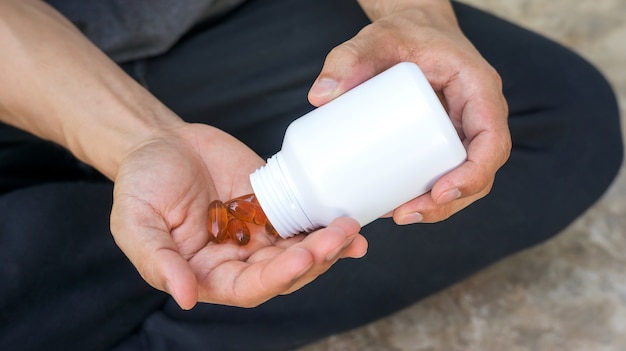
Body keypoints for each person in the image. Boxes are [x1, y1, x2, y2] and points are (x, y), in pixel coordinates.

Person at [0, 0, 622, 350]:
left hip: (214, 27)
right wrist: (134, 138)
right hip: (21, 58)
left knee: (546, 120)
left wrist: (418, 19)